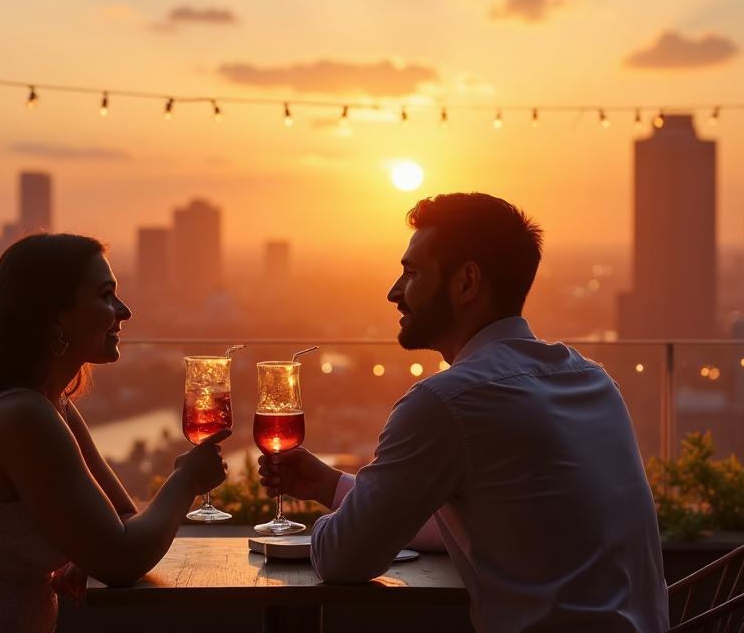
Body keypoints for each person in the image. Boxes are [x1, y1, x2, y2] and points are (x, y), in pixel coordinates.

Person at [259, 193, 669, 632]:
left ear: (466, 282)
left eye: (412, 272)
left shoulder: (448, 402)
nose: (394, 292)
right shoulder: (593, 381)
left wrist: (319, 532)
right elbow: (483, 523)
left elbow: (343, 558)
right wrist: (332, 487)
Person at [0, 233, 229, 633]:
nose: (124, 311)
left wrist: (85, 546)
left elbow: (121, 519)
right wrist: (186, 479)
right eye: (105, 295)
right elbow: (120, 561)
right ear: (54, 316)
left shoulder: (48, 405)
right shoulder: (22, 416)